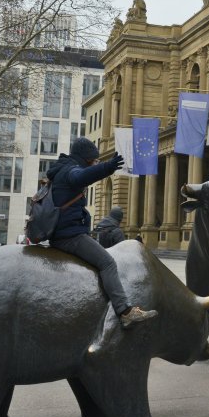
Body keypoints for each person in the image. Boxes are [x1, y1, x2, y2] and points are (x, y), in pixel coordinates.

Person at [47, 137, 157, 329]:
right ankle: (124, 311)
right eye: (93, 160)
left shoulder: (62, 168)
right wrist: (107, 167)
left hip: (63, 232)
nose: (94, 163)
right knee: (107, 263)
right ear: (85, 158)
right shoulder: (70, 171)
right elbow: (80, 177)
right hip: (70, 236)